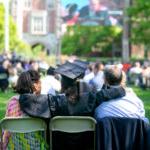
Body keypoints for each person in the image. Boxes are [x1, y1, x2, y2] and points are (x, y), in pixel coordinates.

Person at [3, 70, 48, 149]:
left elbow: (7, 130)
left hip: (15, 146)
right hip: (36, 147)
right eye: (40, 82)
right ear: (35, 85)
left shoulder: (13, 102)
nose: (41, 85)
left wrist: (3, 146)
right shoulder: (42, 103)